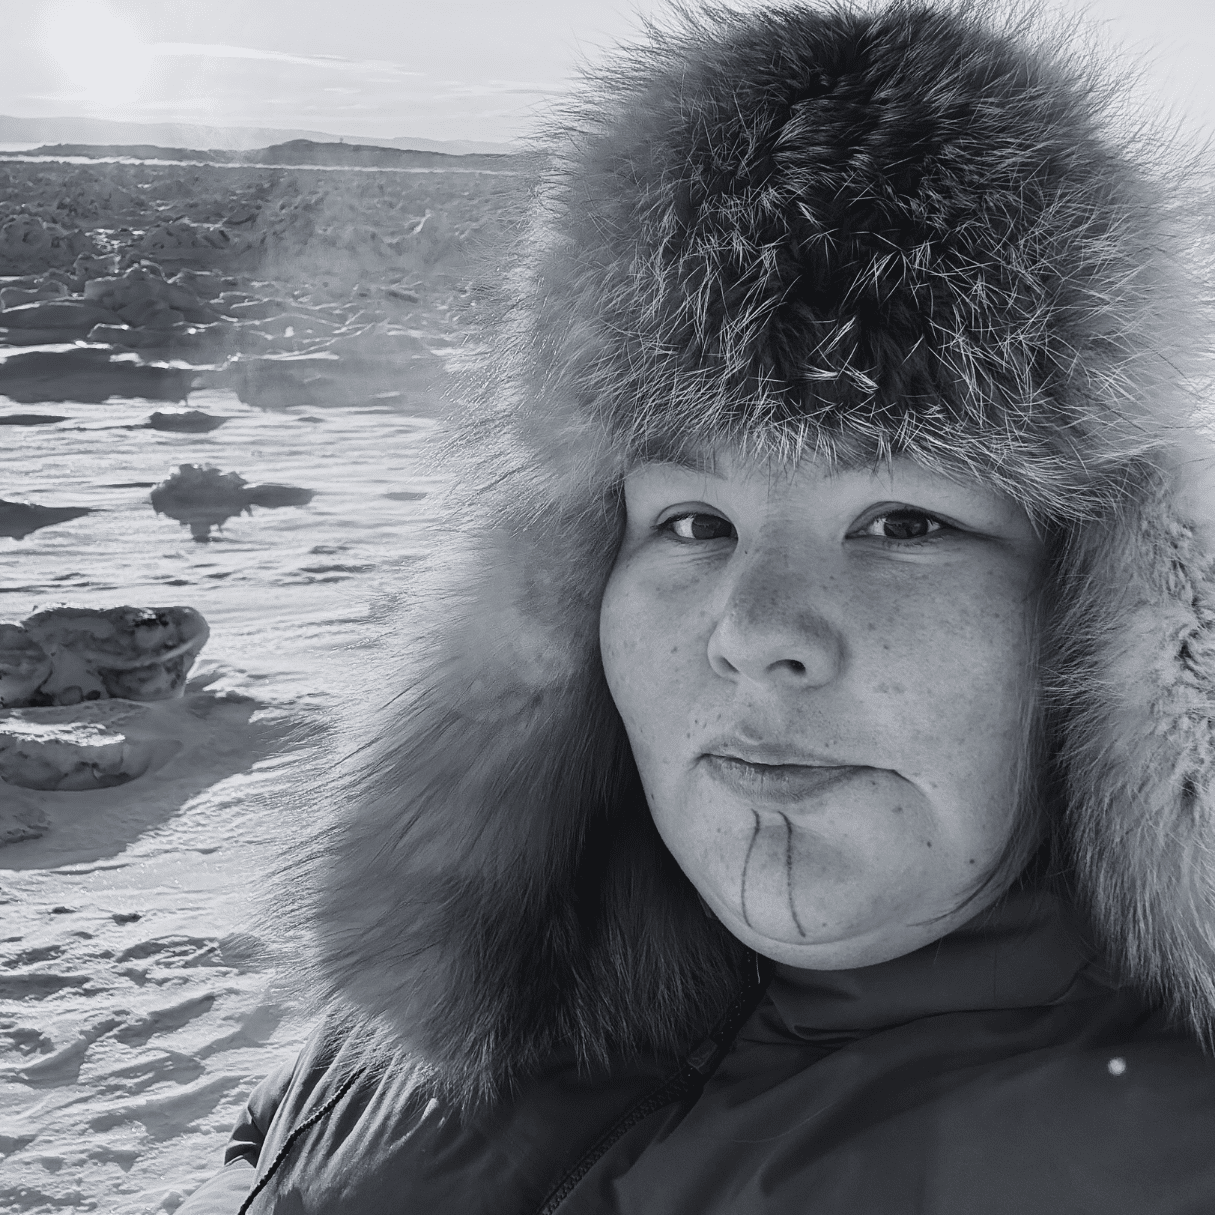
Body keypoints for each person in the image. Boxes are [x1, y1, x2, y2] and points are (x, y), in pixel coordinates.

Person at [179, 2, 1215, 1211]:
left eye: (904, 524)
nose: (754, 630)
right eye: (692, 525)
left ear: (1100, 612)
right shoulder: (439, 995)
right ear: (575, 597)